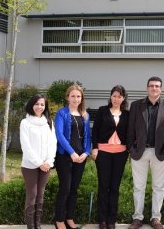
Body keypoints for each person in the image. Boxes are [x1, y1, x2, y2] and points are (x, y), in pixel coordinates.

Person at [127, 76, 164, 229]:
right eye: (151, 86)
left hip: (160, 152)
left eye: (157, 86)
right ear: (147, 88)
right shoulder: (136, 106)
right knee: (138, 187)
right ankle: (137, 218)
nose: (154, 88)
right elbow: (130, 130)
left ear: (161, 89)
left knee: (159, 187)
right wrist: (131, 147)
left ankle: (156, 218)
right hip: (139, 152)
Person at [92, 85, 130, 229]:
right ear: (110, 96)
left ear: (123, 98)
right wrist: (94, 148)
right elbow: (95, 131)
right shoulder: (102, 111)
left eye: (119, 96)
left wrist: (130, 150)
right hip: (103, 153)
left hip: (120, 154)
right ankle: (102, 220)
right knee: (103, 186)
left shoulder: (127, 114)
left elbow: (129, 134)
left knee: (115, 187)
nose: (116, 99)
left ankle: (111, 220)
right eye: (114, 96)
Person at [54, 85, 91, 229]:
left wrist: (86, 153)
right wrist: (72, 152)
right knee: (65, 188)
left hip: (81, 158)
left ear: (82, 98)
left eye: (78, 96)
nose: (76, 99)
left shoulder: (85, 115)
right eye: (73, 96)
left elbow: (88, 137)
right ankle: (59, 220)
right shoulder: (62, 113)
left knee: (74, 190)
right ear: (67, 97)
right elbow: (59, 135)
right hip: (65, 157)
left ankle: (69, 218)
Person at [20, 94, 57, 229]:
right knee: (32, 195)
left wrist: (48, 162)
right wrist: (39, 163)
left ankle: (38, 225)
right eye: (37, 104)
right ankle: (30, 226)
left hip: (46, 165)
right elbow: (26, 146)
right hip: (30, 165)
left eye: (42, 104)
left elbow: (53, 143)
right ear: (31, 105)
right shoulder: (25, 123)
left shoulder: (49, 122)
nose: (39, 107)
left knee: (40, 195)